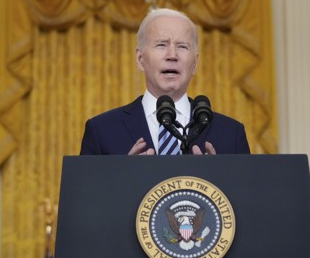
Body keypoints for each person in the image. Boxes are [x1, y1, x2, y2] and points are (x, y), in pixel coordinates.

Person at [79, 8, 250, 155]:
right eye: (161, 45)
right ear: (140, 59)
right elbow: (86, 193)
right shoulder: (102, 131)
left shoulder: (230, 134)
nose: (172, 55)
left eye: (182, 46)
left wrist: (220, 177)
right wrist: (125, 177)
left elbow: (246, 193)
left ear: (195, 63)